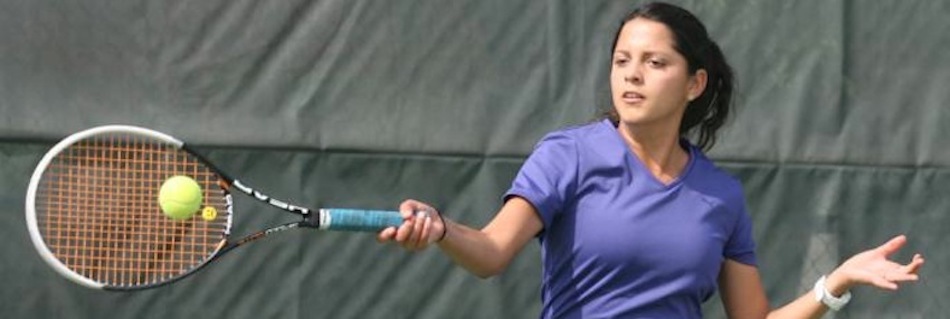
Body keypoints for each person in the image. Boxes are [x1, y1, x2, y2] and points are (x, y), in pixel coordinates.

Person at [377, 2, 925, 318]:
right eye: (622, 60)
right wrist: (443, 228)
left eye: (654, 61)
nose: (632, 74)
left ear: (695, 83)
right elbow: (492, 252)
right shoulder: (567, 156)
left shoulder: (721, 198)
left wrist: (839, 283)